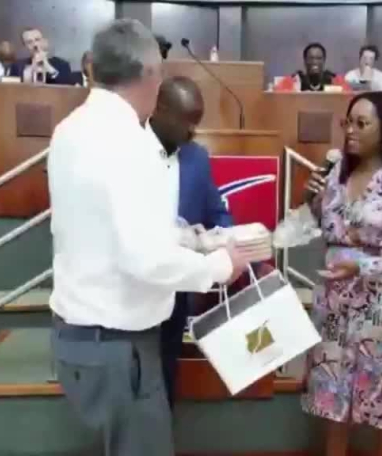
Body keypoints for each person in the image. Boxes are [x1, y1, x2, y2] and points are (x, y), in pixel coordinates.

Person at [47, 19, 249, 456]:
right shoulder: (130, 143)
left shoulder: (71, 129)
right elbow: (147, 259)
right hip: (119, 346)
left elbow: (111, 226)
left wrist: (190, 239)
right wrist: (219, 266)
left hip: (79, 337)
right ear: (150, 73)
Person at [301, 91, 382, 456]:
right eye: (348, 122)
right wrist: (311, 201)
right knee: (331, 396)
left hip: (378, 305)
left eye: (362, 124)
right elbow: (321, 230)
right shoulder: (334, 176)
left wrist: (362, 265)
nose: (351, 131)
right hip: (333, 302)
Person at [146, 76, 234, 408]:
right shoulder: (129, 151)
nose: (193, 131)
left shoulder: (196, 156)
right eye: (186, 121)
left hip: (177, 291)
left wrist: (227, 237)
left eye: (197, 121)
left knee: (166, 378)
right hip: (134, 292)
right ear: (159, 109)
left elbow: (216, 211)